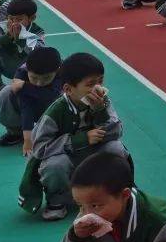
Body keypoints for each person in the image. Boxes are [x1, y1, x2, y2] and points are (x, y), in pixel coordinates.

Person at [19, 52, 127, 220]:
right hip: (66, 157)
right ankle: (57, 200)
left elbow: (117, 131)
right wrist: (81, 139)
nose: (98, 88)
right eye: (91, 84)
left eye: (100, 81)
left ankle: (110, 192)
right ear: (68, 89)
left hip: (90, 155)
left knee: (116, 149)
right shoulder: (55, 112)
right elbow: (39, 149)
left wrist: (100, 112)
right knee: (55, 165)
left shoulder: (102, 102)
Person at [0, 45, 62, 152]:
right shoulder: (22, 71)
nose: (39, 83)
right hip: (34, 107)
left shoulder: (63, 73)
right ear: (27, 68)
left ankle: (57, 132)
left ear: (58, 70)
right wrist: (28, 140)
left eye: (46, 78)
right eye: (34, 78)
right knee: (6, 92)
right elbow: (26, 106)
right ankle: (15, 132)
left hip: (54, 108)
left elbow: (49, 96)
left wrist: (25, 86)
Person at [0, 0, 45, 96]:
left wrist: (21, 39)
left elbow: (39, 52)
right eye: (11, 18)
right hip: (8, 66)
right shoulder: (2, 27)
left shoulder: (37, 31)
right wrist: (7, 37)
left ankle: (30, 84)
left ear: (32, 18)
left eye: (19, 19)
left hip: (26, 71)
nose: (14, 23)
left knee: (46, 55)